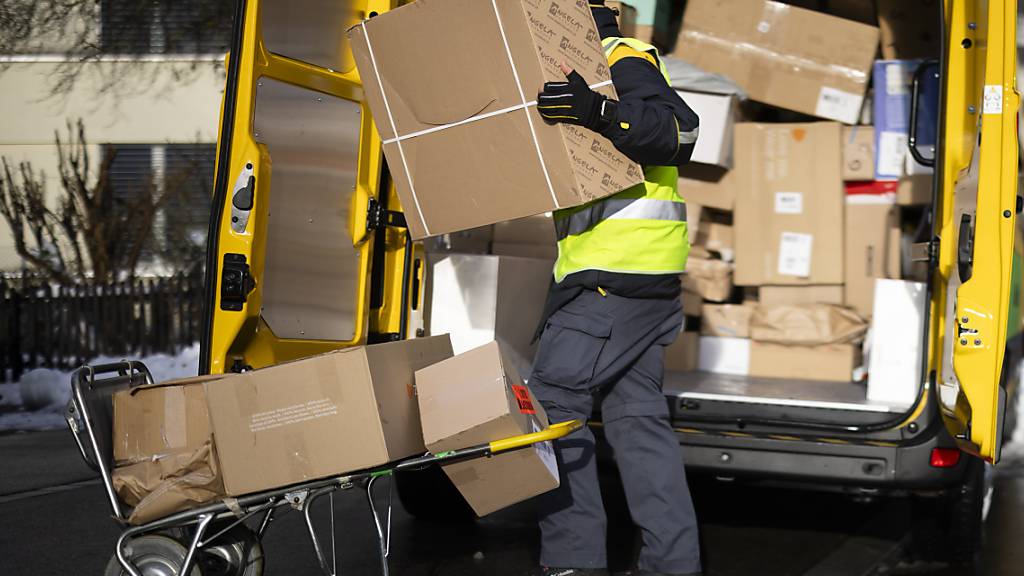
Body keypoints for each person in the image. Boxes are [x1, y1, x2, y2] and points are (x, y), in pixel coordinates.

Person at [527, 2, 702, 576]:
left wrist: (598, 110)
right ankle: (672, 566)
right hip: (641, 283)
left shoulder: (618, 58)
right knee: (638, 425)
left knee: (552, 415)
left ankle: (572, 564)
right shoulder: (572, 59)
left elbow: (680, 132)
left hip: (610, 282)